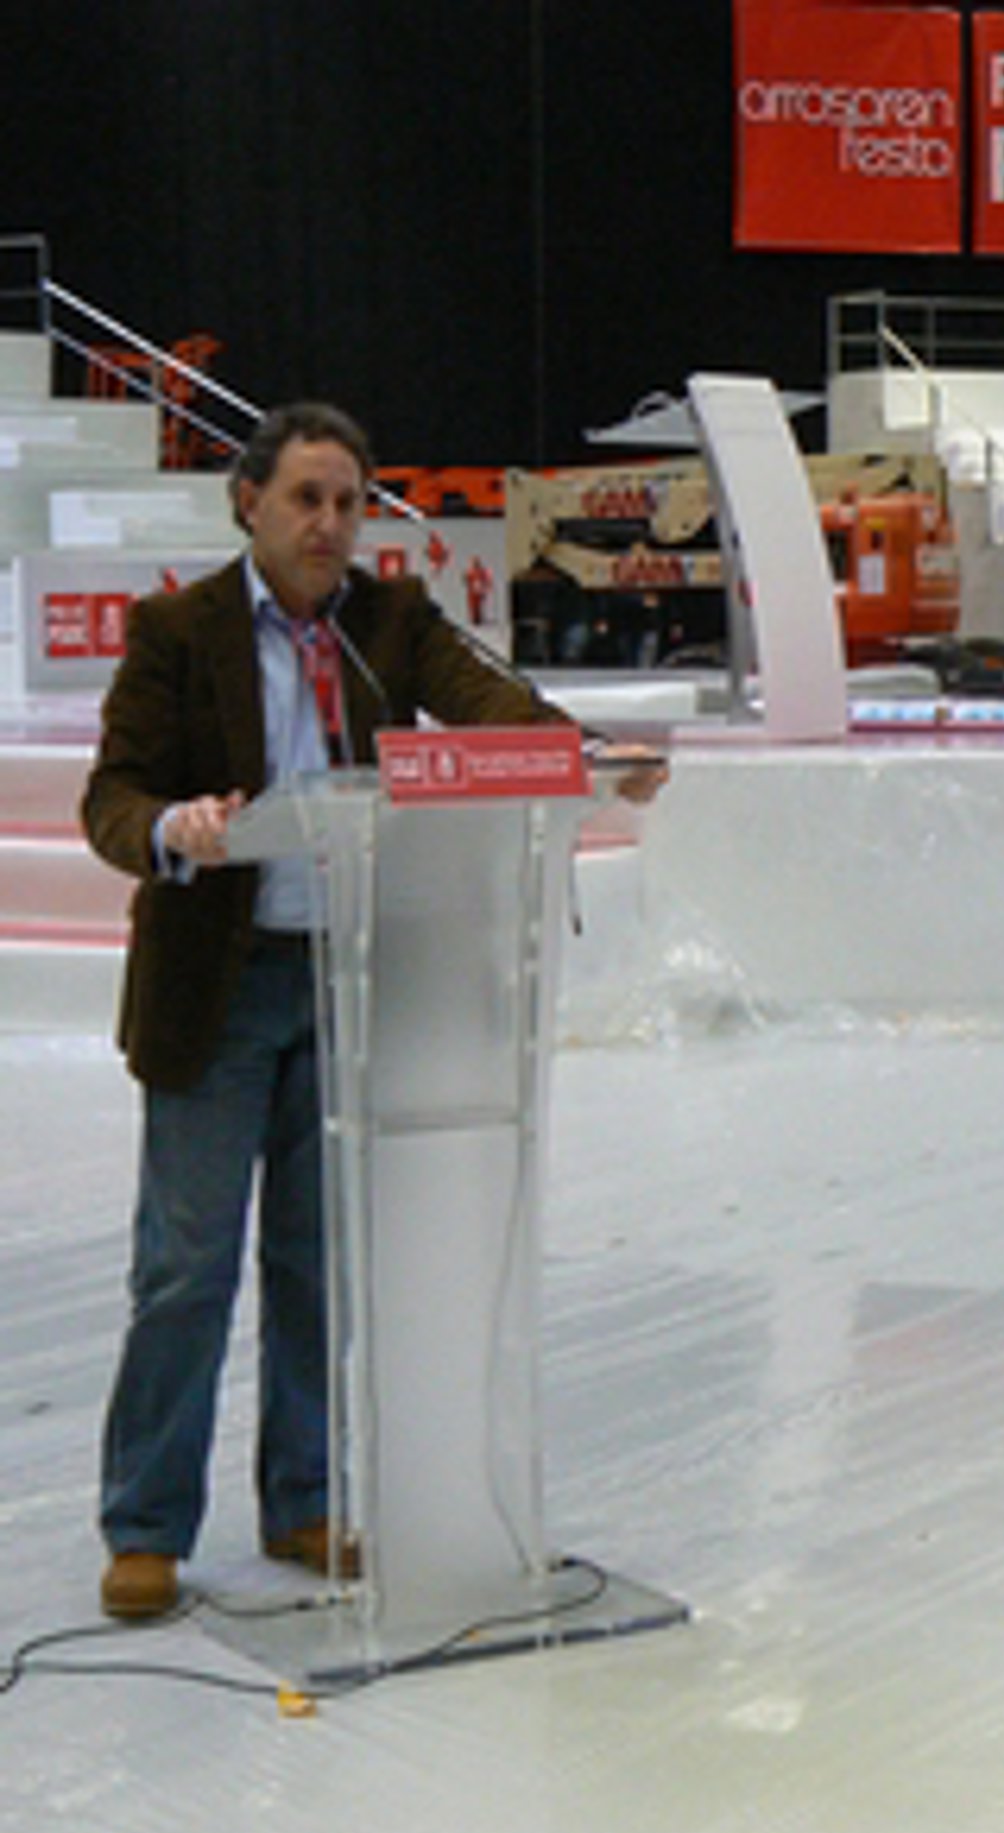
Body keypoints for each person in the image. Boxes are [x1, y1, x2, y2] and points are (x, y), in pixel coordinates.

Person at [81, 400, 666, 1620]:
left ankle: (303, 1500)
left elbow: (490, 704)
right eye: (307, 499)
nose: (329, 524)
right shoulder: (177, 631)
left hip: (348, 979)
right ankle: (146, 1525)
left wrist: (587, 758)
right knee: (186, 1269)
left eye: (348, 503)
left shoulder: (389, 622)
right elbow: (112, 799)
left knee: (317, 1267)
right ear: (248, 502)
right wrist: (174, 827)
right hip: (215, 988)